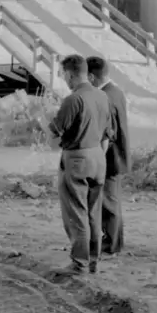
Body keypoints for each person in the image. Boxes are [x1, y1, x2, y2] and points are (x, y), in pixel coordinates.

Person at [48, 53, 114, 277]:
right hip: (98, 156)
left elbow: (54, 132)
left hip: (77, 158)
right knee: (94, 213)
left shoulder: (73, 99)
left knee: (76, 214)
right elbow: (108, 134)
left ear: (69, 74)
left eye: (63, 75)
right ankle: (93, 261)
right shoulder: (103, 96)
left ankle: (79, 263)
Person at [87, 55, 129, 257]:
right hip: (118, 154)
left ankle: (112, 244)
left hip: (110, 157)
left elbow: (106, 133)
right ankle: (113, 241)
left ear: (92, 76)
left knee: (108, 203)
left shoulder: (104, 97)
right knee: (111, 201)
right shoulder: (116, 92)